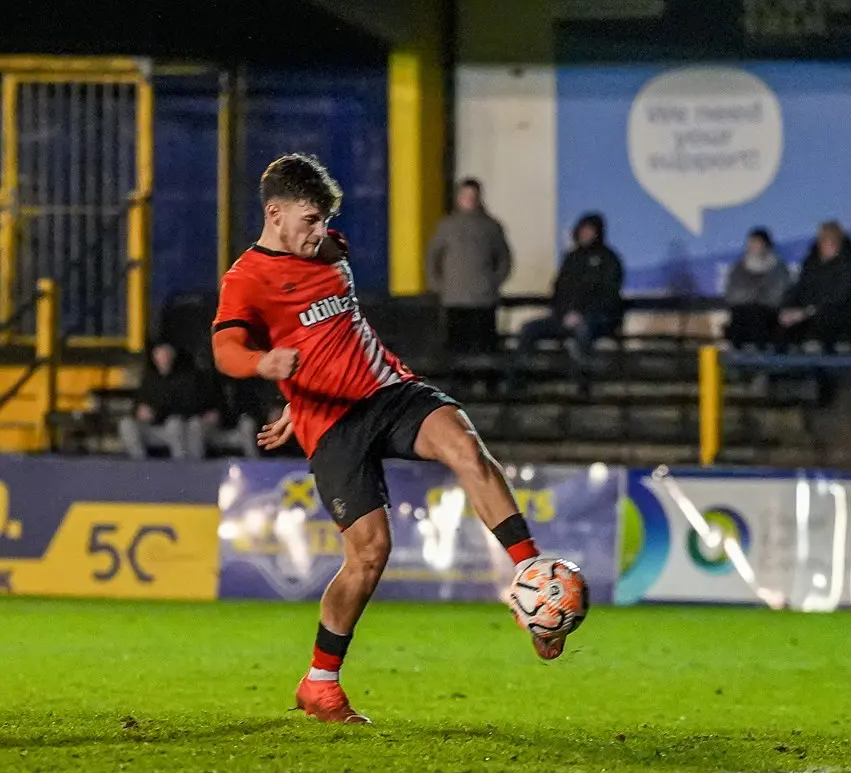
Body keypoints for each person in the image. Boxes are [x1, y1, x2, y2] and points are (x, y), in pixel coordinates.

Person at [212, 154, 570, 725]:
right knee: (371, 553)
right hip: (332, 425)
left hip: (388, 390)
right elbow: (225, 350)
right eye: (309, 220)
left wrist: (292, 392)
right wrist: (267, 369)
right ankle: (320, 682)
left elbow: (330, 332)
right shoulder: (246, 279)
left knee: (465, 445)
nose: (319, 232)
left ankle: (531, 579)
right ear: (274, 214)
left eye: (325, 220)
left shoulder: (331, 248)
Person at [515, 213, 624, 381]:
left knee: (582, 331)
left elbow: (607, 296)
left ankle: (581, 383)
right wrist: (564, 313)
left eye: (590, 231)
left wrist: (581, 314)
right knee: (528, 329)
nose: (586, 234)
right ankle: (520, 380)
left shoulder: (609, 260)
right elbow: (558, 291)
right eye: (583, 230)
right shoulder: (571, 259)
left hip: (597, 319)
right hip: (564, 317)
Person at [119, 341, 254, 460]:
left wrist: (216, 414)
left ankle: (185, 466)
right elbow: (140, 404)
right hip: (154, 426)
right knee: (127, 424)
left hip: (186, 425)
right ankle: (140, 467)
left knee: (178, 424)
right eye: (159, 353)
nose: (163, 357)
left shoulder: (188, 378)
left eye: (166, 353)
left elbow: (193, 406)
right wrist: (140, 411)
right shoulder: (150, 380)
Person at [426, 178, 513, 355]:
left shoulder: (492, 227)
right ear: (458, 197)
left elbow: (505, 258)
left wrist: (492, 282)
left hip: (484, 300)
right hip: (454, 299)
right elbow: (432, 257)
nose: (470, 199)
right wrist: (439, 286)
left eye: (473, 196)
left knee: (485, 349)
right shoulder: (446, 226)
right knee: (456, 349)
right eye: (466, 195)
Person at [779, 221, 851, 351]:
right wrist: (787, 308)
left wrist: (808, 312)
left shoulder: (848, 266)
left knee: (827, 316)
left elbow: (840, 298)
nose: (829, 243)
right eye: (825, 239)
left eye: (833, 240)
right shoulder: (810, 264)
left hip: (836, 319)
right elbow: (800, 289)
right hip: (809, 315)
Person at [723, 227, 790, 350]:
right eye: (751, 243)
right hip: (743, 314)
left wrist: (755, 297)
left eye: (758, 243)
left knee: (758, 315)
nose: (754, 247)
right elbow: (732, 294)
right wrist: (755, 294)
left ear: (766, 245)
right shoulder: (738, 268)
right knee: (740, 317)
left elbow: (778, 295)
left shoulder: (778, 268)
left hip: (768, 314)